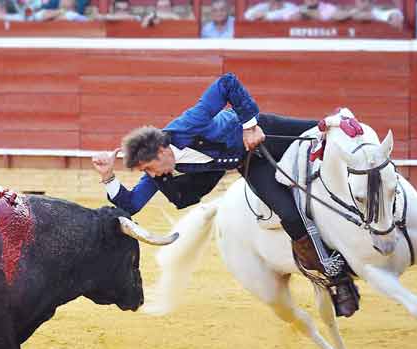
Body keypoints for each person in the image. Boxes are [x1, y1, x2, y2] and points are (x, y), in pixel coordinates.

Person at [90, 73, 359, 317]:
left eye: (150, 168)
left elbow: (226, 83)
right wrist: (107, 176)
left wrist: (249, 126)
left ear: (161, 152)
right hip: (250, 163)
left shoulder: (187, 125)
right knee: (289, 214)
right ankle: (339, 281)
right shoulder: (158, 169)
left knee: (325, 133)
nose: (153, 175)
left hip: (262, 133)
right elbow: (132, 204)